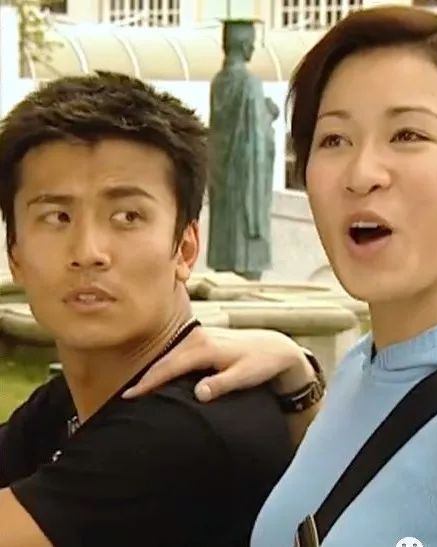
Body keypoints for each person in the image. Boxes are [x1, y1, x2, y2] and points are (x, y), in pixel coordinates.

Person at [125, 6, 437, 547]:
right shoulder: (372, 363)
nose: (361, 174)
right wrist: (297, 375)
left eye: (408, 135)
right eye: (334, 140)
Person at [0, 71, 294, 546]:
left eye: (127, 217)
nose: (88, 252)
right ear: (15, 256)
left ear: (185, 248)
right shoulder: (72, 401)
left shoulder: (189, 426)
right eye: (57, 217)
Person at [207, 19, 273, 281]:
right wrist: (268, 116)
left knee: (225, 258)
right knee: (247, 268)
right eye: (252, 43)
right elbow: (256, 137)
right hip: (246, 184)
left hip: (223, 181)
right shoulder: (249, 83)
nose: (253, 49)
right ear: (245, 45)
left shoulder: (218, 82)